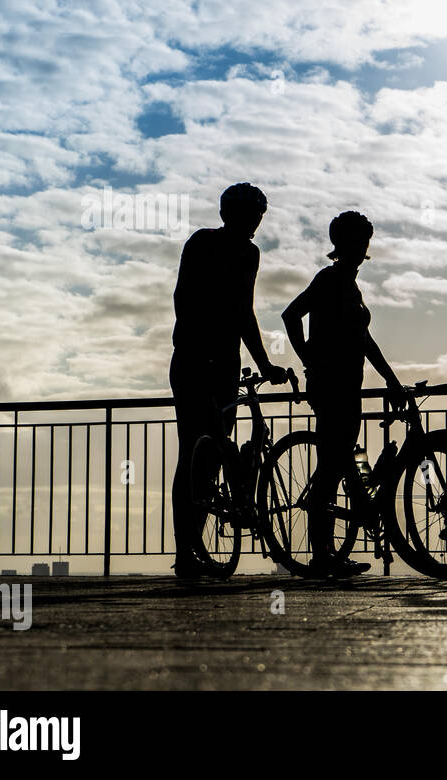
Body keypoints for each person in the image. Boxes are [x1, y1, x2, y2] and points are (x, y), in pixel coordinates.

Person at [170, 182, 287, 578]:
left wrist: (265, 363)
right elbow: (184, 299)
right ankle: (185, 552)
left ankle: (196, 546)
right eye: (250, 214)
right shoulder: (202, 242)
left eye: (259, 215)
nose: (255, 222)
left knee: (209, 458)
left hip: (224, 364)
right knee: (193, 452)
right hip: (192, 360)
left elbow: (245, 312)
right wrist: (196, 345)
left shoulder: (251, 254)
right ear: (228, 215)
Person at [282, 211, 405, 579]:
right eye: (354, 240)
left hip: (349, 384)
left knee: (344, 459)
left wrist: (391, 378)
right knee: (333, 465)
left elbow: (364, 340)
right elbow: (291, 315)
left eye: (364, 240)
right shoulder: (330, 279)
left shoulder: (350, 285)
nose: (360, 247)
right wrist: (310, 361)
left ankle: (335, 545)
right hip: (331, 385)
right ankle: (323, 556)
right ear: (340, 244)